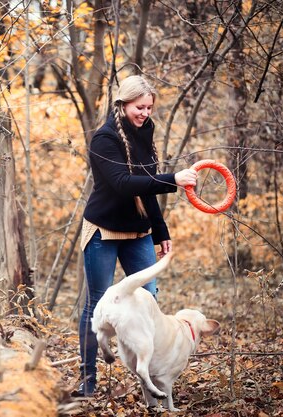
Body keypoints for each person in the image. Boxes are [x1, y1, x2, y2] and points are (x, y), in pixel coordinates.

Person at [74, 75, 198, 397]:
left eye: (149, 107)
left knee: (149, 301)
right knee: (97, 305)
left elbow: (146, 185)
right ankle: (88, 381)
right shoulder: (104, 139)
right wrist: (174, 179)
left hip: (139, 230)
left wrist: (160, 230)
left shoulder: (147, 131)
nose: (144, 113)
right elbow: (124, 183)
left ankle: (148, 377)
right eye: (138, 107)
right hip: (103, 229)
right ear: (123, 104)